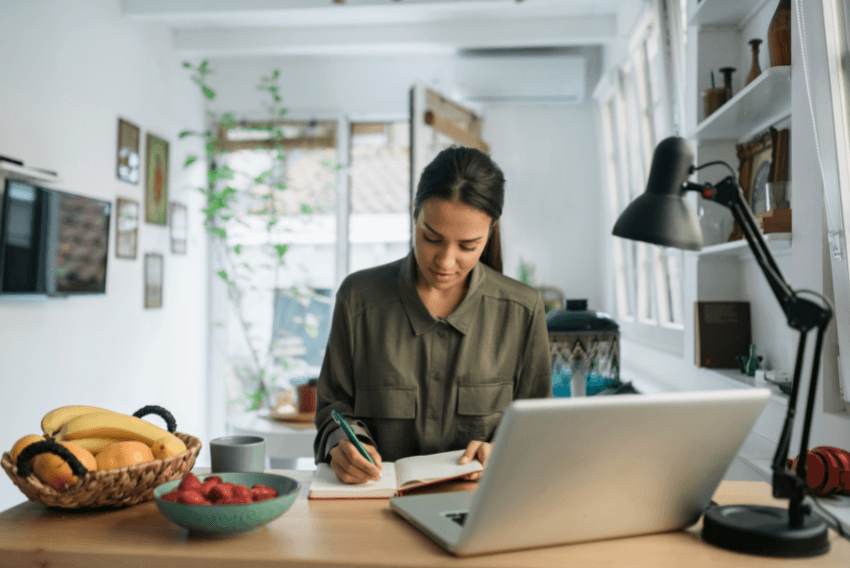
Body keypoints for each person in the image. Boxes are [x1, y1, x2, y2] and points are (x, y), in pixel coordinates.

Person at [313, 145, 553, 484]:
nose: (445, 261)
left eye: (468, 246)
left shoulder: (522, 310)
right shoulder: (358, 298)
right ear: (415, 215)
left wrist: (502, 450)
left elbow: (537, 427)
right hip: (374, 505)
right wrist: (344, 446)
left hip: (478, 507)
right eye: (431, 238)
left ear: (491, 232)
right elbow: (332, 409)